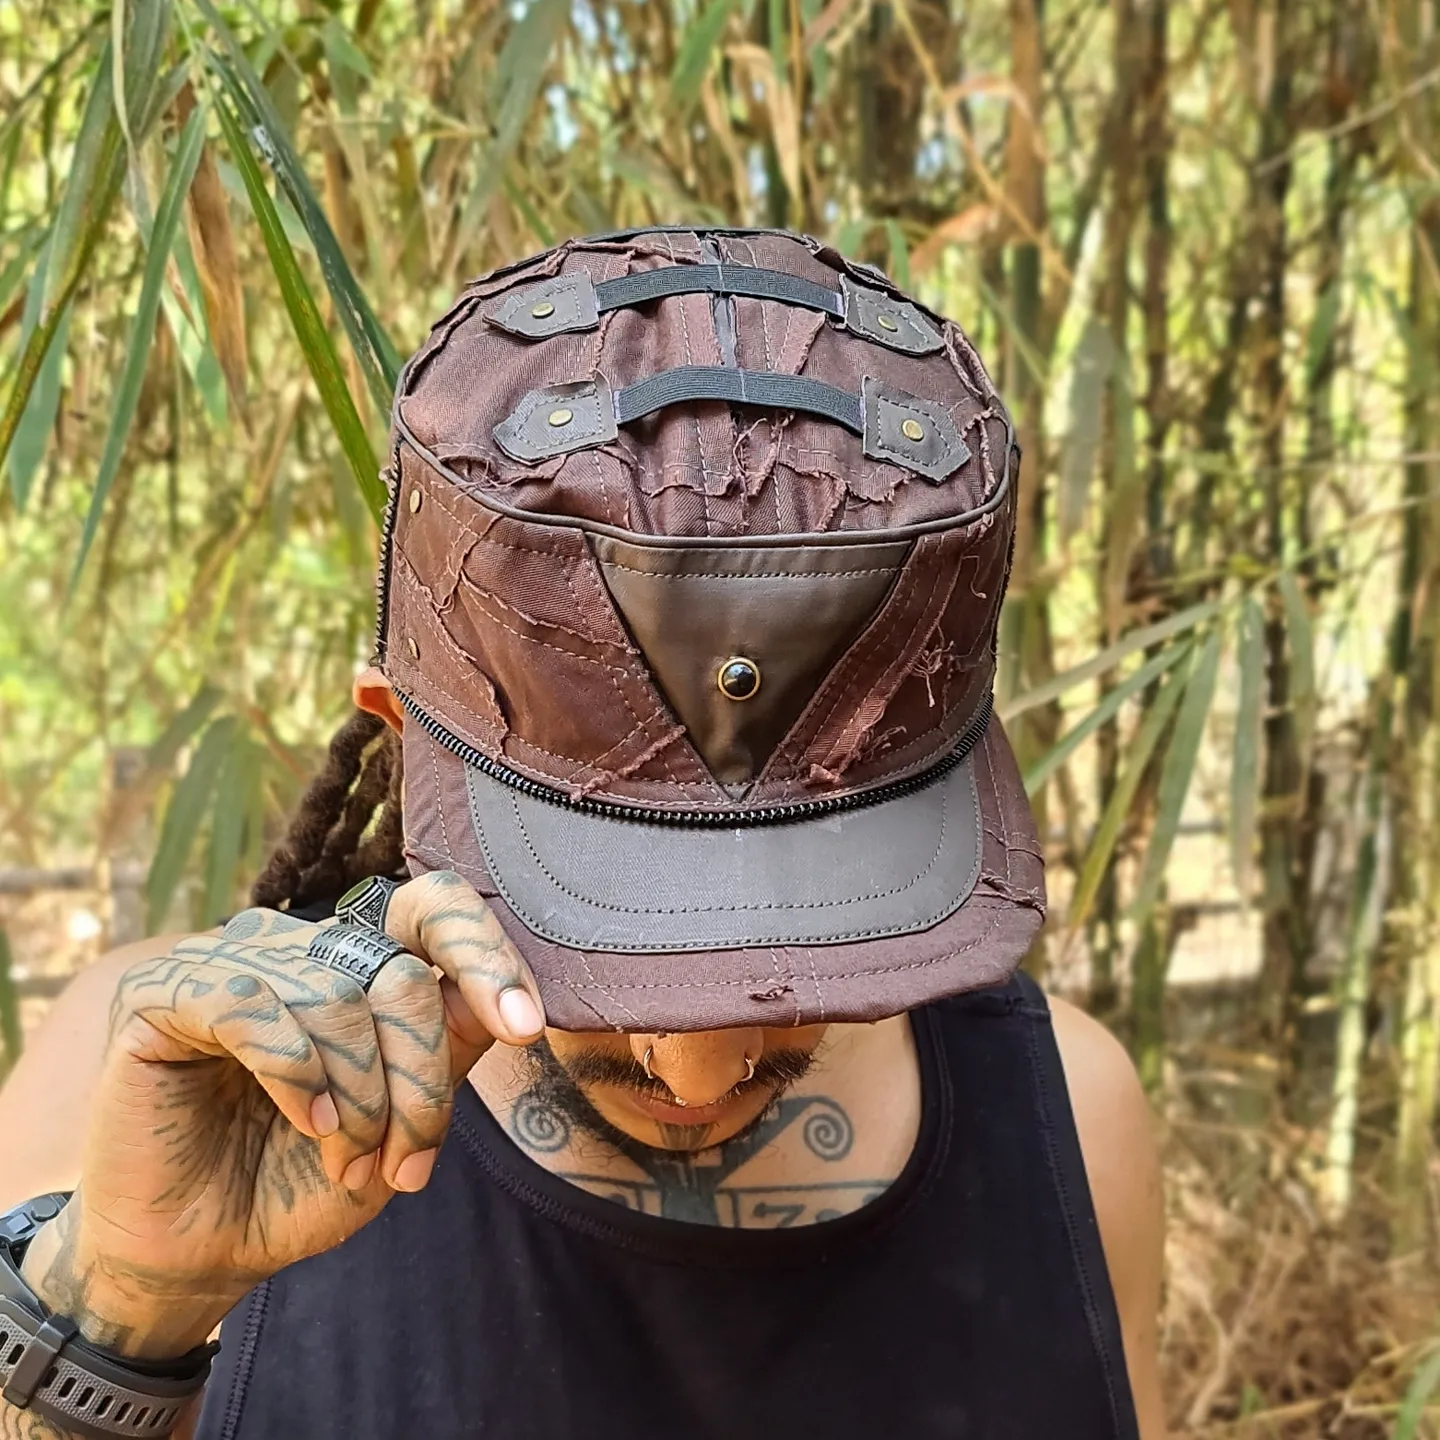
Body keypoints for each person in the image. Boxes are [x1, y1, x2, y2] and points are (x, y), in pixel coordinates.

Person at [0, 227, 1164, 1440]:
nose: (698, 1069)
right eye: (603, 913)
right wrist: (124, 1305)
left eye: (818, 922)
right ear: (398, 740)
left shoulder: (1069, 1120)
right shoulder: (140, 1090)